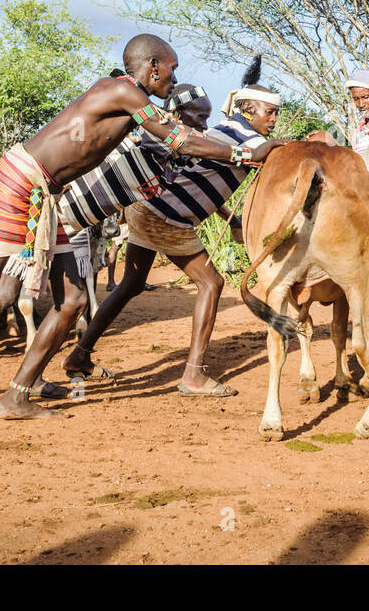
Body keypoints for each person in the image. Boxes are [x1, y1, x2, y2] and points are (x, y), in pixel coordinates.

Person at [0, 35, 281, 439]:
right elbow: (179, 140)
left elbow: (178, 137)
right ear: (151, 66)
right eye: (171, 67)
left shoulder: (128, 98)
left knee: (74, 300)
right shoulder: (123, 91)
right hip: (16, 186)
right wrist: (247, 155)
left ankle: (16, 397)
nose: (174, 76)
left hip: (45, 196)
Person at [67, 61, 282, 395]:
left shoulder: (220, 132)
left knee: (130, 285)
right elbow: (242, 159)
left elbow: (196, 179)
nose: (273, 119)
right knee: (212, 283)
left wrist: (231, 219)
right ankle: (194, 375)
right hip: (166, 218)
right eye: (269, 112)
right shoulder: (248, 140)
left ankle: (80, 355)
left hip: (145, 209)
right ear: (248, 109)